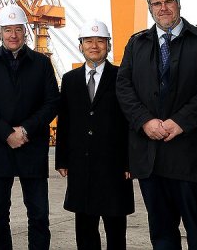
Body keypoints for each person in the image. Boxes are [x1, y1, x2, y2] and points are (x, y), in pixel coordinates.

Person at [116, 0, 197, 250]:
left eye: (168, 1)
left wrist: (181, 121)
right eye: (156, 3)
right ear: (149, 7)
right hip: (151, 157)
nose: (163, 8)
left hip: (191, 157)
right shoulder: (136, 44)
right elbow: (124, 87)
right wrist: (145, 121)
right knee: (161, 233)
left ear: (178, 2)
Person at [0, 3, 60, 250]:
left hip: (31, 147)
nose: (13, 35)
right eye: (7, 29)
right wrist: (6, 133)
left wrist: (24, 130)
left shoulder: (41, 63)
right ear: (0, 32)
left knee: (39, 215)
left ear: (25, 32)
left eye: (18, 29)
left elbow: (52, 103)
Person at [55, 19, 133, 250]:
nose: (94, 46)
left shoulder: (123, 77)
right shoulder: (70, 80)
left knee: (115, 232)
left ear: (108, 45)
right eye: (89, 41)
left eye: (100, 41)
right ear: (80, 46)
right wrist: (62, 159)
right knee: (85, 230)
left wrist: (130, 162)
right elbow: (64, 121)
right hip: (81, 166)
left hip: (114, 167)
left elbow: (131, 122)